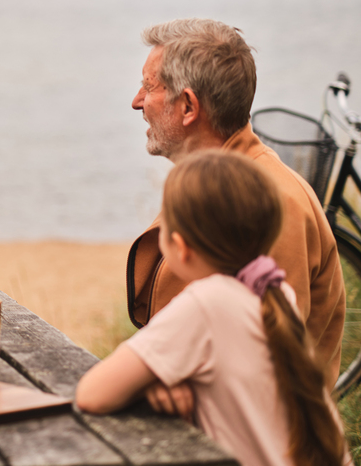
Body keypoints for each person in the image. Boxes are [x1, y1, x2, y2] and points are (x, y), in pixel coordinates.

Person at [77, 150, 349, 466]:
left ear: (179, 247)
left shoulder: (207, 304)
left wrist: (148, 384)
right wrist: (161, 377)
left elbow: (92, 394)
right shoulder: (275, 293)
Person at [127, 18, 345, 393]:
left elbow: (268, 370)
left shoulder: (272, 205)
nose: (137, 102)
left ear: (188, 106)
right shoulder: (214, 181)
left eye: (148, 87)